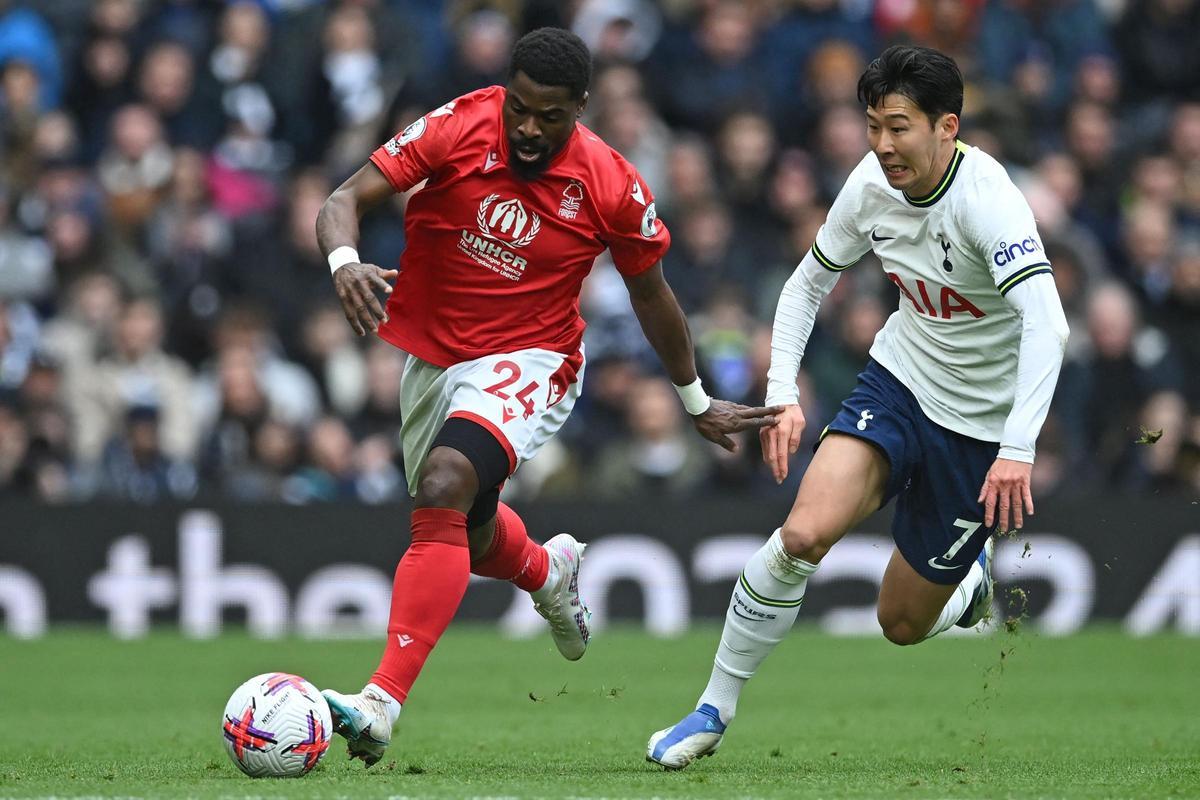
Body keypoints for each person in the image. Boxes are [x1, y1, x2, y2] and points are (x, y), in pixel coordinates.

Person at [313, 27, 780, 766]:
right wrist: (344, 261)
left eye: (551, 116)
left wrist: (694, 400)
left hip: (532, 359)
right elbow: (343, 198)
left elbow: (654, 297)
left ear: (581, 107)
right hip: (433, 359)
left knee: (444, 483)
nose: (530, 129)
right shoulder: (459, 123)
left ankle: (379, 704)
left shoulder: (610, 184)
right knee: (460, 531)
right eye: (521, 110)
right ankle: (545, 571)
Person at [646, 44, 1070, 769]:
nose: (882, 145)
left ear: (947, 127)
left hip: (979, 430)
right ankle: (712, 707)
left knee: (900, 625)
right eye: (873, 125)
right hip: (899, 384)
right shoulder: (870, 184)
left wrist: (1017, 450)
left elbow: (1049, 323)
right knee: (802, 535)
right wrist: (782, 395)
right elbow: (806, 283)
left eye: (899, 127)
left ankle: (966, 587)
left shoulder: (988, 201)